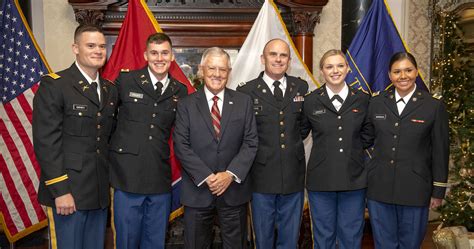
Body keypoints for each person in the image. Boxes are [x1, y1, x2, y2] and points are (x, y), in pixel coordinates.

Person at [33, 24, 117, 249]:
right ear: (75, 48)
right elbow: (46, 143)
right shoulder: (55, 85)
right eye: (90, 45)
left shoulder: (109, 90)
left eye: (101, 46)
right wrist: (61, 191)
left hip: (98, 193)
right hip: (68, 193)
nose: (98, 50)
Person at [108, 33, 188, 249]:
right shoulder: (126, 81)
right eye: (154, 53)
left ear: (172, 57)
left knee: (155, 241)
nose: (159, 58)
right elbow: (107, 122)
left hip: (159, 175)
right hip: (127, 175)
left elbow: (184, 131)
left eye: (164, 53)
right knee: (127, 241)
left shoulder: (179, 90)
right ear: (146, 55)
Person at [173, 47, 258, 249]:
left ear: (229, 72)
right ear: (201, 70)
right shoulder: (186, 104)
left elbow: (251, 142)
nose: (217, 74)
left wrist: (229, 174)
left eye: (223, 69)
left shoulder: (243, 102)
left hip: (233, 190)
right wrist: (208, 177)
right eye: (212, 68)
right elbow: (181, 145)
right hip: (198, 190)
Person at [366, 52, 449, 249]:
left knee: (410, 244)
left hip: (415, 189)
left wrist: (438, 191)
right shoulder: (376, 102)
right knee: (383, 244)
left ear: (416, 72)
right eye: (397, 71)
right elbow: (364, 139)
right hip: (380, 188)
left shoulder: (433, 106)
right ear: (389, 75)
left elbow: (440, 151)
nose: (403, 76)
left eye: (408, 70)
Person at [236, 38, 308, 248]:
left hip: (293, 174)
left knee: (290, 236)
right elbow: (244, 135)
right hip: (261, 176)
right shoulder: (247, 92)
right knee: (263, 236)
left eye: (283, 55)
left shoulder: (300, 87)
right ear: (263, 59)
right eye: (273, 54)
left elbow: (302, 127)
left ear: (289, 60)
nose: (278, 59)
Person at [301, 49, 371, 249]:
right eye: (329, 66)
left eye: (340, 65)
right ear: (321, 71)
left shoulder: (363, 99)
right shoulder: (311, 100)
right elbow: (300, 133)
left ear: (348, 69)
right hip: (321, 181)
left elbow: (368, 134)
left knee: (351, 235)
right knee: (324, 237)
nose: (335, 71)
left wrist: (352, 150)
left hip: (354, 179)